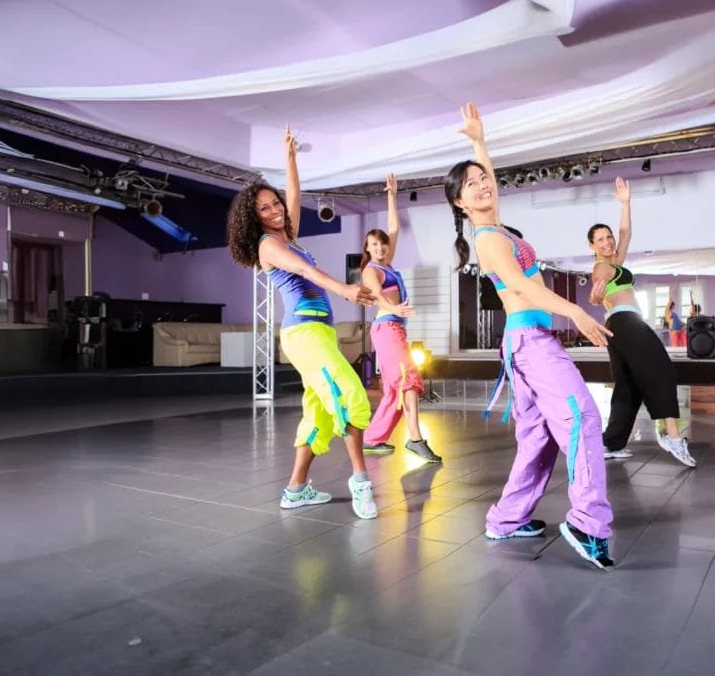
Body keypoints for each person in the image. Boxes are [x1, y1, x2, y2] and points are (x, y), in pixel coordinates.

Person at [447, 102, 615, 570]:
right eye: (471, 185)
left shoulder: (495, 223)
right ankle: (587, 522)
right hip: (530, 343)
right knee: (581, 417)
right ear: (460, 202)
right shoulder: (489, 239)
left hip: (525, 344)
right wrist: (577, 314)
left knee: (538, 440)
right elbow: (521, 287)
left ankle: (505, 519)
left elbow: (492, 183)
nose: (482, 186)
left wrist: (479, 143)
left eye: (483, 180)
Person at [226, 125, 379, 519]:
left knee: (319, 412)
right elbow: (307, 274)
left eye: (274, 204)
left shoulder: (286, 234)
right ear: (254, 218)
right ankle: (361, 480)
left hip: (318, 332)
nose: (275, 210)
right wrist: (344, 290)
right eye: (265, 208)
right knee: (347, 394)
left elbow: (293, 196)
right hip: (303, 333)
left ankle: (295, 490)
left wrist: (290, 158)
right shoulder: (269, 245)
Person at [587, 184, 696, 467]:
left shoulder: (616, 264)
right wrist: (594, 297)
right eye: (600, 239)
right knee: (660, 369)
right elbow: (596, 290)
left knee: (628, 386)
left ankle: (610, 443)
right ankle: (671, 435)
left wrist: (626, 203)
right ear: (592, 246)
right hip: (626, 323)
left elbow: (626, 234)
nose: (608, 242)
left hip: (620, 326)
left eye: (608, 237)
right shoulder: (602, 266)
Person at [359, 173, 442, 464]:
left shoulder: (387, 262)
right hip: (386, 326)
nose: (381, 247)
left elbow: (394, 227)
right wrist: (392, 308)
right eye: (375, 245)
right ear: (367, 249)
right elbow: (376, 294)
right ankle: (416, 439)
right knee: (408, 380)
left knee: (396, 387)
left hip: (394, 329)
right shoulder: (371, 269)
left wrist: (392, 194)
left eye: (383, 244)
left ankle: (371, 438)